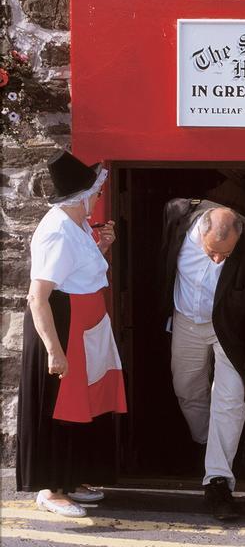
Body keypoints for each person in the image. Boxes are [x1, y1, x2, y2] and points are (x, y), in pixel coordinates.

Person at [16, 150, 127, 517]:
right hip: (64, 325)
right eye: (94, 193)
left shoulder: (77, 224)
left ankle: (72, 476)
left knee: (83, 406)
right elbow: (38, 296)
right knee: (58, 407)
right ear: (81, 197)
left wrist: (103, 248)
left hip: (84, 324)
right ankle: (50, 488)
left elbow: (81, 273)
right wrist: (54, 349)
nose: (97, 198)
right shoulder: (57, 231)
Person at [158, 198, 245, 521]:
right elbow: (162, 266)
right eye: (211, 251)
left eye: (224, 255)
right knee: (186, 388)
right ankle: (206, 443)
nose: (216, 259)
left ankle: (218, 481)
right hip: (185, 319)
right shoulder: (178, 219)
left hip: (229, 329)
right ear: (202, 230)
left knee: (229, 400)